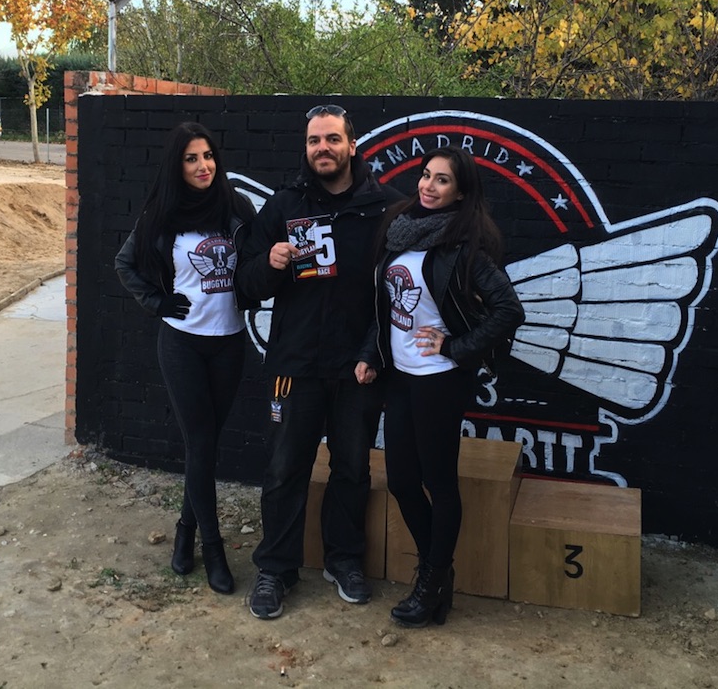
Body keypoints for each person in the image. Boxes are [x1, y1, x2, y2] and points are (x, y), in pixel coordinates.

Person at [235, 104, 404, 619]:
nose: (322, 148)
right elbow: (246, 285)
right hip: (294, 365)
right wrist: (270, 264)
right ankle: (276, 569)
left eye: (332, 139)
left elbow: (398, 295)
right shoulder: (284, 205)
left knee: (352, 469)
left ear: (352, 145)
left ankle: (343, 560)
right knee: (285, 469)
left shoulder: (387, 208)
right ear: (305, 148)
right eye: (314, 140)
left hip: (358, 368)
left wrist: (373, 352)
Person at [355, 146, 523, 628]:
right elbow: (387, 308)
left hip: (439, 381)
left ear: (461, 192)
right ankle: (438, 572)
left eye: (442, 180)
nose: (428, 186)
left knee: (439, 482)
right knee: (402, 481)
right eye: (426, 175)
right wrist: (371, 354)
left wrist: (455, 347)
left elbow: (509, 310)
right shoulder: (400, 230)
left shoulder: (464, 246)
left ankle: (429, 583)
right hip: (400, 376)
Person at [114, 121, 256, 595]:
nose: (203, 166)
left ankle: (185, 531)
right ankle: (212, 549)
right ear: (178, 166)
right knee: (200, 442)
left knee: (206, 446)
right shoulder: (162, 213)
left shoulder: (237, 208)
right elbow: (124, 263)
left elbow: (255, 261)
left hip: (230, 341)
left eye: (208, 156)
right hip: (182, 343)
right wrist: (156, 302)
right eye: (191, 158)